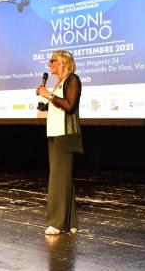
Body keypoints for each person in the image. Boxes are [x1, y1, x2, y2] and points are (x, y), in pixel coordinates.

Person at [36, 50, 83, 235]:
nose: (50, 65)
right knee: (63, 178)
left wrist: (49, 95)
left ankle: (57, 223)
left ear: (63, 62)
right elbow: (54, 106)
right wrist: (44, 98)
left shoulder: (73, 80)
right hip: (55, 134)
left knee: (58, 178)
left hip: (65, 135)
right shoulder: (59, 83)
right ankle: (70, 222)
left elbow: (70, 106)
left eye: (52, 61)